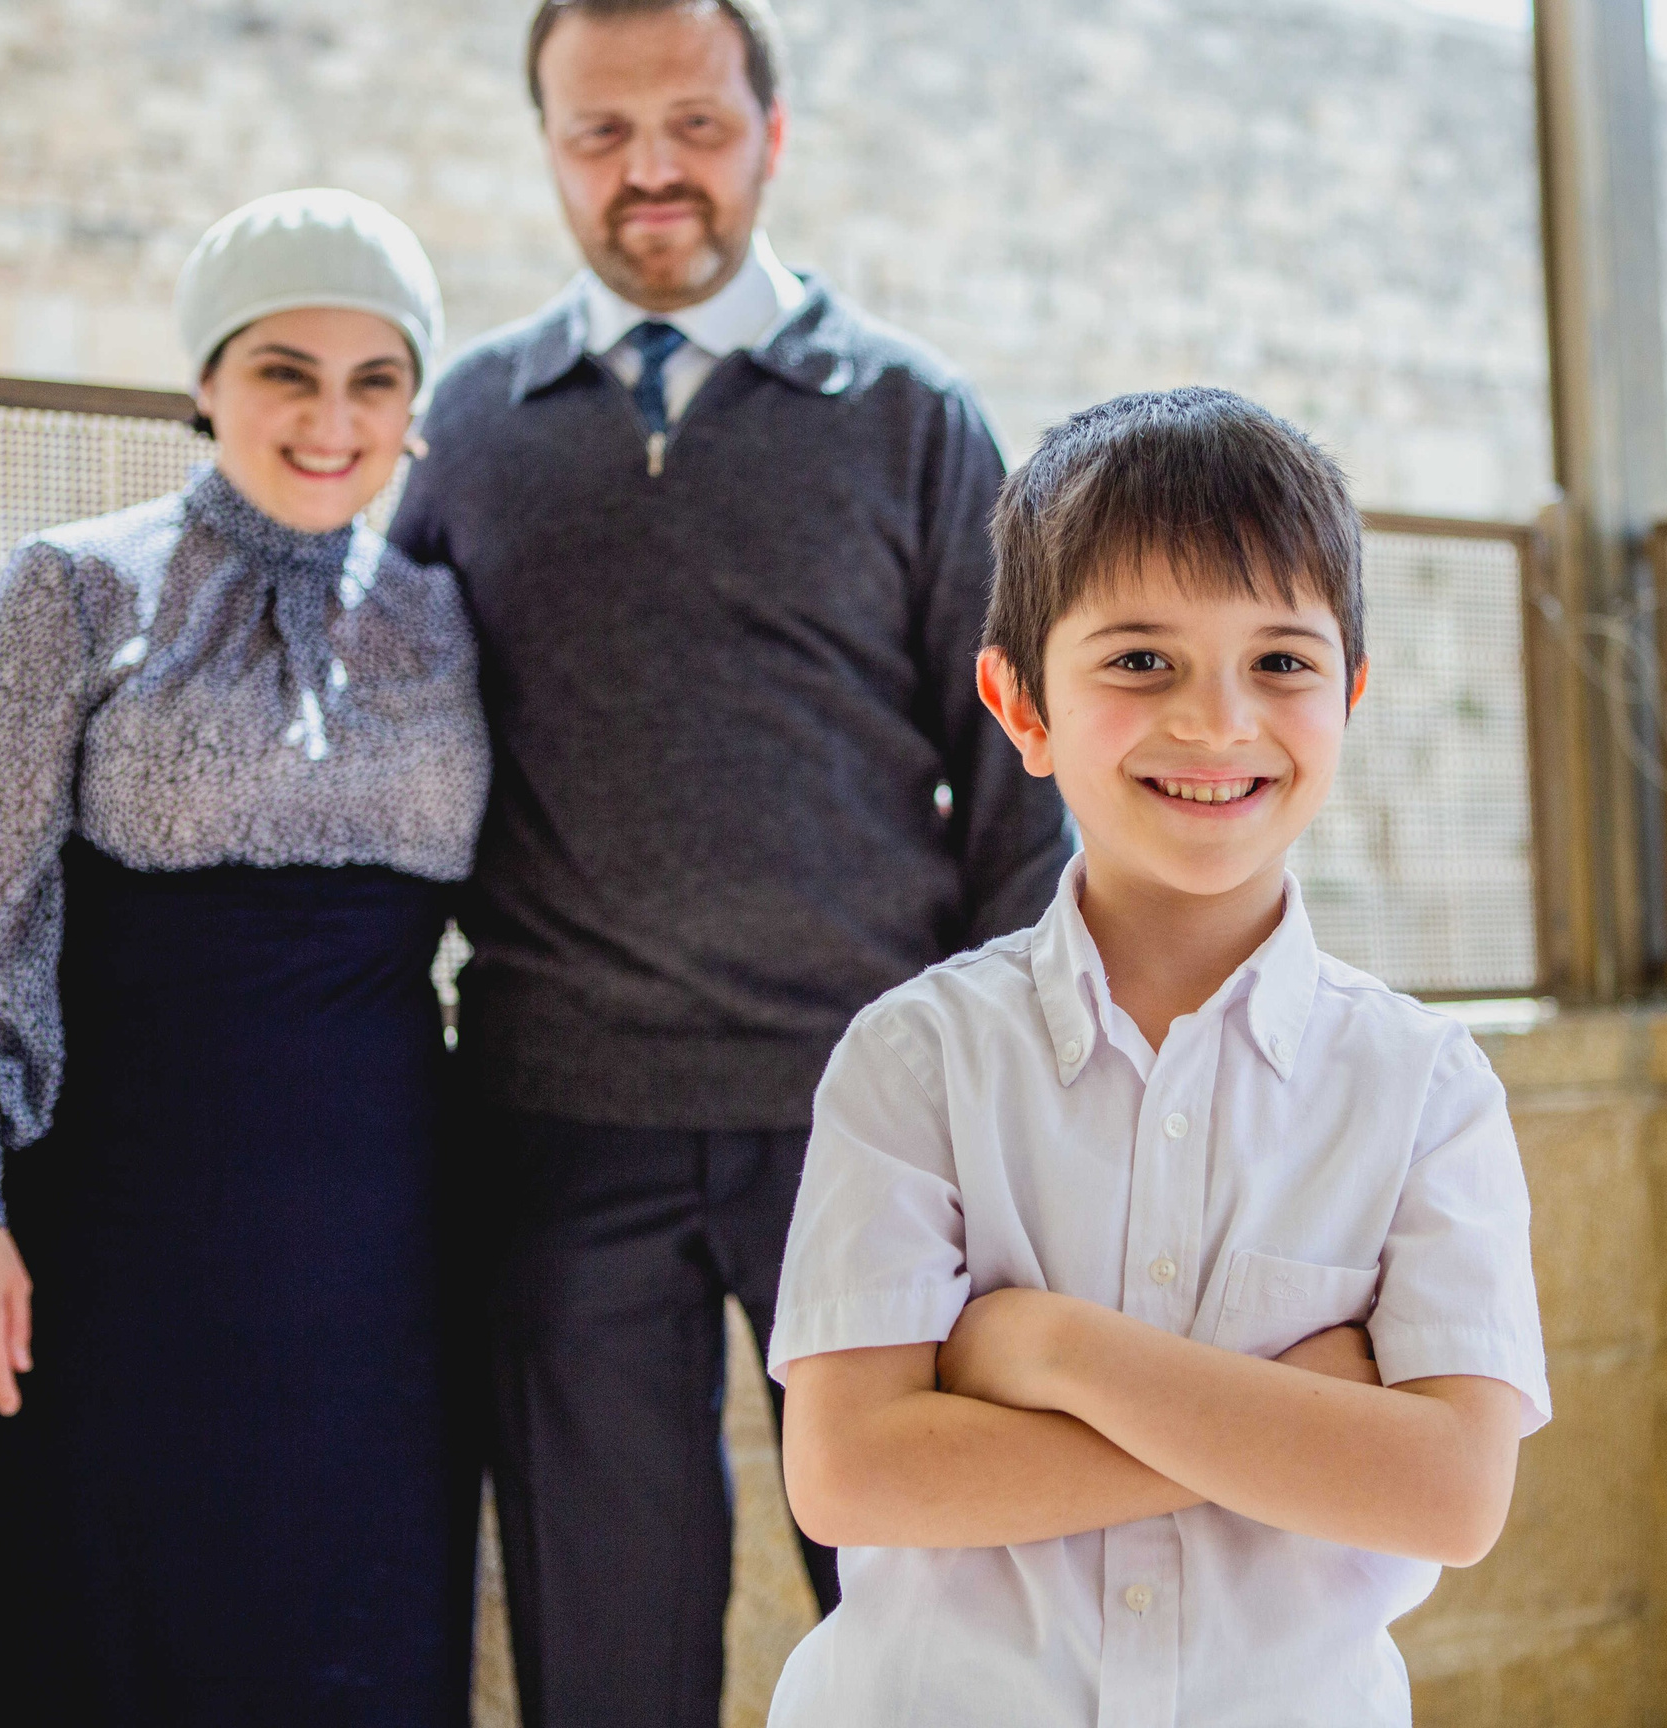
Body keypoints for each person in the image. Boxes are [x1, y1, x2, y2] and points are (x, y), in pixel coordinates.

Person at [387, 2, 1069, 1719]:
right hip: (559, 1125)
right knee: (602, 1648)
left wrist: (998, 1102)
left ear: (773, 131)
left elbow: (1020, 787)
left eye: (693, 123)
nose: (651, 171)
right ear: (550, 150)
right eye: (600, 133)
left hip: (866, 1124)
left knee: (933, 1632)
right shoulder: (469, 426)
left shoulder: (912, 416)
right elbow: (396, 764)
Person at [765, 387, 1552, 1726]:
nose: (1217, 721)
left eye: (1282, 662)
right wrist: (1294, 1424)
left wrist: (1056, 1352)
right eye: (1140, 660)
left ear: (1351, 696)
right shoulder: (917, 1060)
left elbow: (1451, 1494)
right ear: (1020, 706)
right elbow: (852, 1474)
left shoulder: (1424, 1087)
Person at [0, 189, 490, 1728]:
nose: (331, 420)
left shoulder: (448, 618)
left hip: (386, 1260)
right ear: (206, 377)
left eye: (375, 381)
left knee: (366, 1652)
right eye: (285, 372)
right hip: (117, 1244)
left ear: (414, 405)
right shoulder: (73, 587)